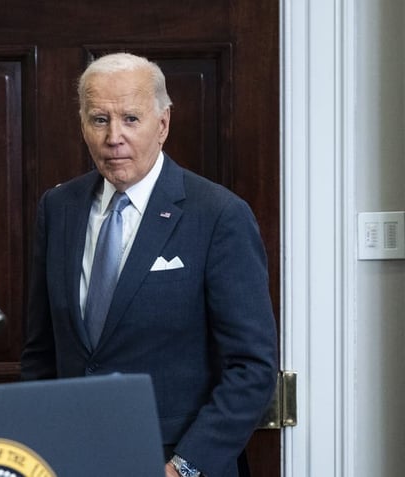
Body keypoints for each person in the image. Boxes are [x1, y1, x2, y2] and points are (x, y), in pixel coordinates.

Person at [20, 52, 278, 477]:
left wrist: (182, 468)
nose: (113, 137)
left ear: (163, 124)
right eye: (99, 120)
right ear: (82, 125)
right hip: (73, 458)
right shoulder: (58, 207)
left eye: (130, 119)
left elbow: (252, 367)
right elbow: (41, 351)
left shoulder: (218, 215)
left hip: (173, 461)